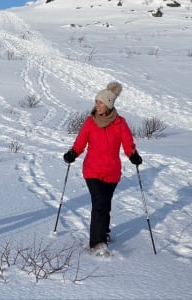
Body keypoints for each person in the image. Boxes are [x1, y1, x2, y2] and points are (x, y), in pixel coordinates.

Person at [63, 81, 142, 256]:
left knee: (105, 205)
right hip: (92, 170)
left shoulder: (120, 123)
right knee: (99, 204)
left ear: (108, 104)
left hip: (112, 172)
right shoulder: (90, 123)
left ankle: (104, 233)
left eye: (100, 102)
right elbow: (80, 142)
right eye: (96, 102)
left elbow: (128, 143)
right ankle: (96, 243)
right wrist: (73, 153)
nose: (96, 105)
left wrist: (133, 155)